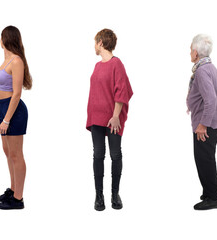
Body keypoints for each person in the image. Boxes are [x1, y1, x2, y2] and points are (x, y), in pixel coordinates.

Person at [86, 29, 133, 211]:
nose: (94, 46)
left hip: (112, 118)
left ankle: (115, 194)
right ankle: (99, 196)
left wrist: (115, 116)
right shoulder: (97, 66)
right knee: (98, 155)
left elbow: (122, 91)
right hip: (96, 117)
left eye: (95, 42)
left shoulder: (117, 64)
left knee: (115, 155)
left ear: (101, 43)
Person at [187, 34, 217, 210]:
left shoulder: (202, 71)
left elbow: (211, 99)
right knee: (206, 159)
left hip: (207, 125)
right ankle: (212, 191)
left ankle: (214, 197)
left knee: (204, 160)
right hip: (214, 121)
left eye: (190, 49)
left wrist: (203, 124)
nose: (189, 52)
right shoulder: (209, 67)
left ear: (195, 52)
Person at [0, 26, 32, 210]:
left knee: (16, 154)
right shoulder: (6, 60)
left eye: (1, 37)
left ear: (5, 39)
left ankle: (18, 199)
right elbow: (3, 87)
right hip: (4, 108)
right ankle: (13, 188)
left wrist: (7, 119)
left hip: (14, 111)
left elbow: (16, 94)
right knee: (8, 152)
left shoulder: (16, 61)